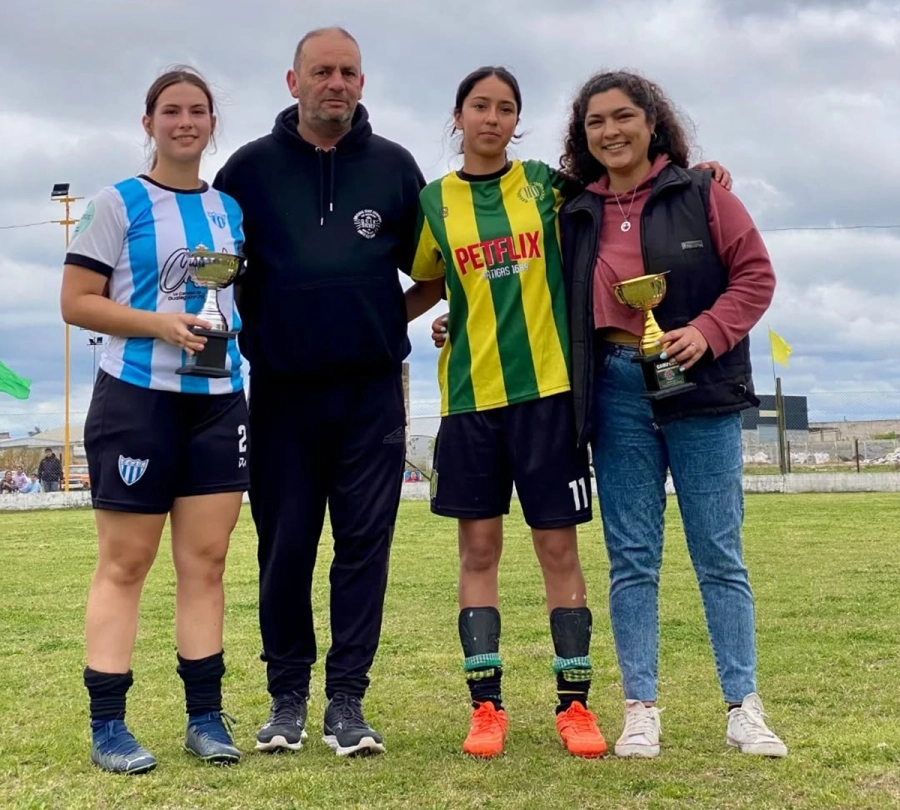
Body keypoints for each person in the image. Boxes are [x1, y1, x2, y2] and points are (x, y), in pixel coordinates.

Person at [557, 70, 787, 758]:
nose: (611, 132)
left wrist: (709, 332)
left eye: (623, 117)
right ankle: (640, 708)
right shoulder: (573, 210)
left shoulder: (703, 195)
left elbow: (756, 276)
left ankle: (743, 707)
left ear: (652, 121)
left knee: (720, 554)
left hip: (700, 389)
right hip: (615, 392)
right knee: (632, 560)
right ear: (583, 133)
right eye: (596, 122)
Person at [213, 27, 425, 757]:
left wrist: (374, 316)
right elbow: (219, 269)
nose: (336, 83)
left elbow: (432, 267)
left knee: (364, 547)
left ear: (362, 84)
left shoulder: (396, 168)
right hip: (281, 392)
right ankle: (285, 698)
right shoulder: (247, 169)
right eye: (322, 72)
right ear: (292, 81)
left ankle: (347, 702)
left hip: (371, 394)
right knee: (286, 546)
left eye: (348, 72)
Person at [405, 66, 606, 760]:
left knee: (558, 549)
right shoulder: (434, 204)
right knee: (479, 552)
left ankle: (574, 707)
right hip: (469, 403)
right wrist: (381, 328)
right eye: (480, 106)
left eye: (506, 109)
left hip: (548, 398)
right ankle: (485, 708)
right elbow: (432, 282)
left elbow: (624, 187)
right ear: (457, 116)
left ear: (517, 122)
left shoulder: (548, 186)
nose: (492, 118)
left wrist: (704, 175)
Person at [60, 67, 249, 774]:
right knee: (126, 563)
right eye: (171, 111)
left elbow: (231, 304)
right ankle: (109, 724)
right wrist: (157, 325)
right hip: (136, 398)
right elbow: (76, 301)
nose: (185, 122)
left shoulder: (230, 209)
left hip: (218, 400)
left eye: (198, 111)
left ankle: (205, 717)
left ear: (210, 124)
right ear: (149, 123)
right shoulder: (117, 202)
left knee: (206, 563)